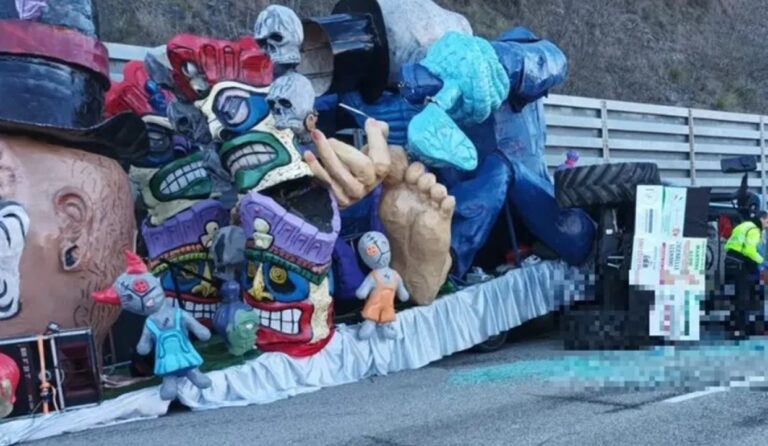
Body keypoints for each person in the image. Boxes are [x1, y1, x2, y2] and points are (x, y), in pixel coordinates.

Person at [723, 211, 768, 339]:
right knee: (742, 298)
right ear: (762, 219)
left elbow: (727, 245)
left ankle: (732, 328)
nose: (767, 224)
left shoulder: (741, 226)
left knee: (733, 297)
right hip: (740, 265)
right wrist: (763, 262)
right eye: (767, 221)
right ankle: (739, 331)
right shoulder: (754, 230)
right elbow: (749, 250)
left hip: (729, 263)